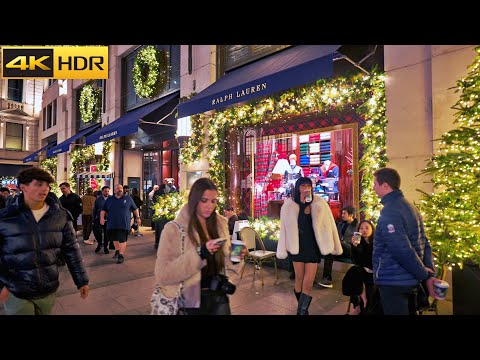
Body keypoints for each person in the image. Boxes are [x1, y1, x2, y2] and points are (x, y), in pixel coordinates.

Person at [0, 167, 89, 315]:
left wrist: (82, 281)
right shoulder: (6, 217)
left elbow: (71, 250)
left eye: (47, 185)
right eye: (39, 184)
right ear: (23, 187)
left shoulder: (59, 215)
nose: (45, 189)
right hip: (16, 290)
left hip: (48, 288)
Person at [154, 177, 246, 315]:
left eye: (213, 201)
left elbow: (224, 262)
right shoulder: (174, 229)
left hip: (218, 298)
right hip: (188, 302)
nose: (210, 205)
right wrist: (200, 253)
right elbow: (163, 275)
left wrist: (235, 256)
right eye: (204, 200)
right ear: (194, 200)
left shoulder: (220, 223)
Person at [372, 167, 441, 315]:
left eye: (375, 184)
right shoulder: (410, 207)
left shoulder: (390, 211)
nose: (373, 188)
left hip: (393, 281)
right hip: (409, 280)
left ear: (385, 186)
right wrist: (427, 273)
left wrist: (425, 274)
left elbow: (401, 249)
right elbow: (425, 243)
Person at [277, 177, 342, 315]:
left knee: (308, 282)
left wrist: (333, 242)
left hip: (312, 247)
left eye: (308, 185)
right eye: (303, 185)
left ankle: (301, 311)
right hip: (297, 247)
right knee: (299, 279)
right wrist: (283, 246)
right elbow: (284, 229)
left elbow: (329, 224)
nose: (306, 188)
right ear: (298, 187)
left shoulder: (319, 203)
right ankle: (302, 310)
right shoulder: (289, 205)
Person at [342, 220, 377, 315]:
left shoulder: (377, 242)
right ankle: (361, 301)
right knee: (355, 272)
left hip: (375, 272)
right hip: (362, 271)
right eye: (361, 228)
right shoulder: (359, 242)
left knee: (355, 273)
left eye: (367, 228)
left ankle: (358, 305)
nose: (364, 230)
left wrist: (369, 268)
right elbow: (356, 261)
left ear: (372, 229)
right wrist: (355, 247)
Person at [100, 184, 140, 264]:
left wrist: (138, 218)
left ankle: (121, 255)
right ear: (114, 191)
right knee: (114, 238)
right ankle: (117, 250)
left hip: (124, 223)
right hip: (112, 223)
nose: (120, 190)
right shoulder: (110, 199)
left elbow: (135, 209)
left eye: (121, 188)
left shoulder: (128, 198)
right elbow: (103, 210)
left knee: (122, 239)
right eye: (118, 188)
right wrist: (102, 218)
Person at [319, 206, 358, 288]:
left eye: (344, 213)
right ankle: (327, 278)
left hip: (349, 249)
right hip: (338, 248)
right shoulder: (340, 225)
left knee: (338, 243)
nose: (342, 215)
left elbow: (357, 242)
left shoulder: (357, 226)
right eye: (342, 213)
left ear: (351, 215)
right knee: (330, 252)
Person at [93, 186, 112, 253]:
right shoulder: (98, 199)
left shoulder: (112, 198)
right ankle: (100, 244)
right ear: (102, 191)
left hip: (109, 219)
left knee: (107, 233)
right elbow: (95, 209)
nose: (107, 192)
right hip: (99, 218)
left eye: (108, 191)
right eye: (105, 191)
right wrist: (93, 218)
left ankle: (105, 247)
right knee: (97, 232)